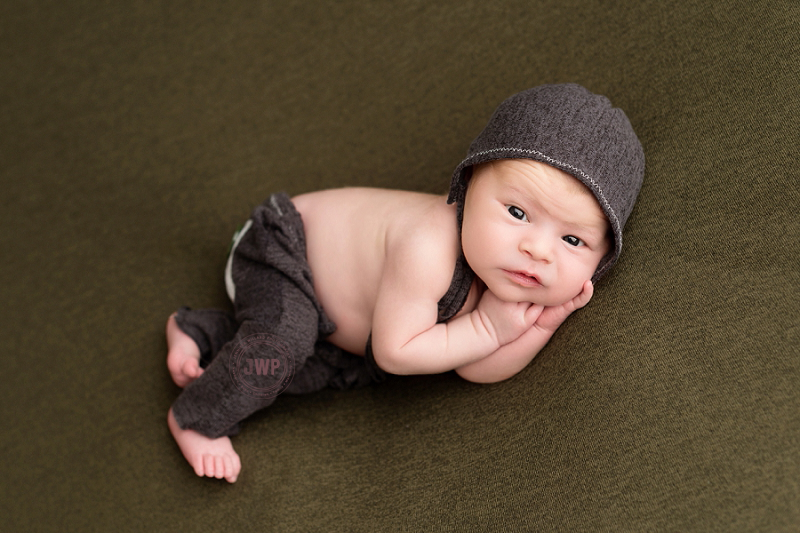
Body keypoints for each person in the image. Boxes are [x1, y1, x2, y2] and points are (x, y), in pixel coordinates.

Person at [165, 83, 645, 483]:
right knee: (280, 345)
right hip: (282, 250)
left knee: (306, 368)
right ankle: (196, 418)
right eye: (517, 213)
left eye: (573, 240)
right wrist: (489, 330)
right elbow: (396, 352)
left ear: (602, 260)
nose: (538, 250)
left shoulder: (510, 271)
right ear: (468, 184)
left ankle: (200, 333)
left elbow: (472, 368)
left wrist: (537, 327)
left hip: (337, 329)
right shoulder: (429, 245)